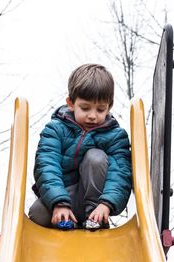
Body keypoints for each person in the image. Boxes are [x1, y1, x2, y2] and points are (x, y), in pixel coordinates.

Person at [28, 63, 132, 230]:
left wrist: (106, 204)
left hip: (96, 201)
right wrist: (59, 202)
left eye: (100, 109)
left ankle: (95, 218)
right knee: (37, 213)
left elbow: (120, 174)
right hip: (65, 193)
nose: (92, 116)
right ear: (71, 103)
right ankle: (66, 220)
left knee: (95, 156)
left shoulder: (115, 136)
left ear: (109, 107)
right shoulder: (55, 129)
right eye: (85, 108)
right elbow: (46, 165)